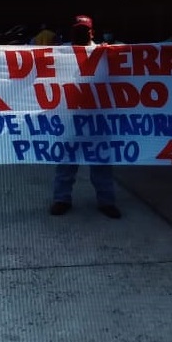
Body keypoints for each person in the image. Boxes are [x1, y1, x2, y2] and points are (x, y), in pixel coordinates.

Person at [50, 15, 121, 219]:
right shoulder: (61, 53)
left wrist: (113, 53)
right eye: (77, 30)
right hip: (70, 118)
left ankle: (106, 201)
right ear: (72, 32)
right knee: (66, 163)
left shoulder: (105, 51)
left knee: (101, 163)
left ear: (92, 33)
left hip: (98, 118)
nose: (81, 34)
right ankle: (61, 199)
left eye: (84, 30)